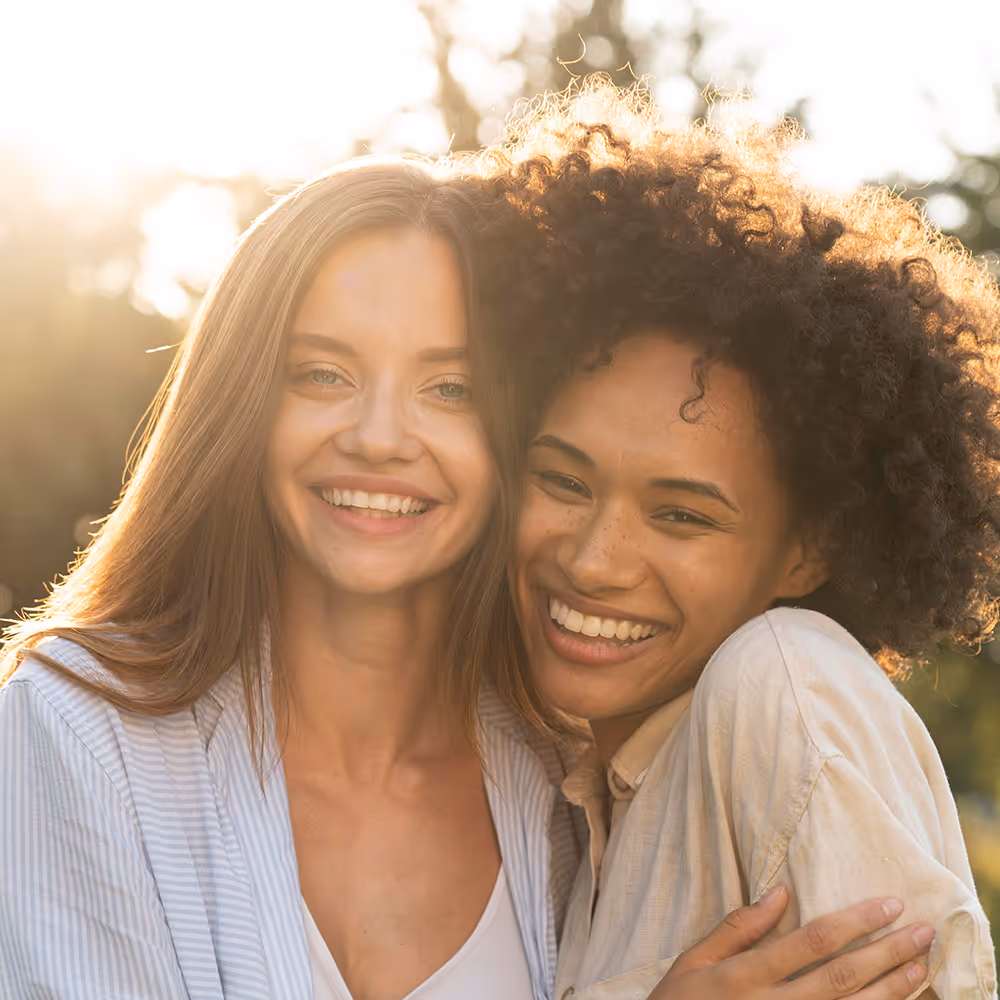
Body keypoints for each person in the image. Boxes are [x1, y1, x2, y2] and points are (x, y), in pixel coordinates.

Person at [0, 153, 933, 1000]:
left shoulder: (567, 776)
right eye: (320, 374)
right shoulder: (80, 728)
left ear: (507, 431)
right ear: (242, 400)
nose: (377, 437)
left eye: (449, 388)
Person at [472, 88, 1000, 1000]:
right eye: (563, 480)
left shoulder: (781, 687)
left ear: (809, 551)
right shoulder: (572, 784)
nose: (595, 560)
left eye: (682, 514)